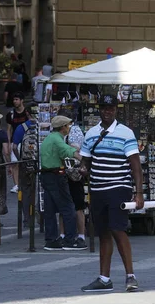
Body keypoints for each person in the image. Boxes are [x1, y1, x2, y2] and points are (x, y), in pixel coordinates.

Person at [80, 95, 143, 293]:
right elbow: (86, 162)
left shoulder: (125, 133)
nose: (107, 111)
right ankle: (104, 278)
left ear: (116, 110)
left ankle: (130, 276)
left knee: (118, 229)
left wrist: (138, 193)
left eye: (111, 108)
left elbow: (135, 165)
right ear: (99, 109)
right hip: (97, 189)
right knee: (103, 233)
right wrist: (81, 170)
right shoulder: (91, 133)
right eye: (104, 108)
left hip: (118, 187)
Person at [40, 115, 86, 251]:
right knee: (68, 207)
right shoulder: (56, 139)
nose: (68, 128)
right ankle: (70, 240)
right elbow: (67, 150)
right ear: (62, 128)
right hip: (56, 176)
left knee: (50, 209)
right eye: (67, 126)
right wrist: (83, 159)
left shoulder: (49, 138)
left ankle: (51, 240)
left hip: (46, 175)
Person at [57, 110, 86, 246]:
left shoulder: (74, 131)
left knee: (77, 205)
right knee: (64, 205)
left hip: (73, 173)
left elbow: (74, 149)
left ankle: (80, 235)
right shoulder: (60, 133)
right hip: (65, 171)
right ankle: (63, 234)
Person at [6, 93, 31, 194]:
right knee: (14, 163)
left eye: (17, 99)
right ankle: (16, 185)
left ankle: (26, 182)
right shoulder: (11, 114)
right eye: (14, 100)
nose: (15, 101)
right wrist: (9, 143)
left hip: (27, 141)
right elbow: (9, 129)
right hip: (15, 141)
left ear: (22, 100)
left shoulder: (27, 112)